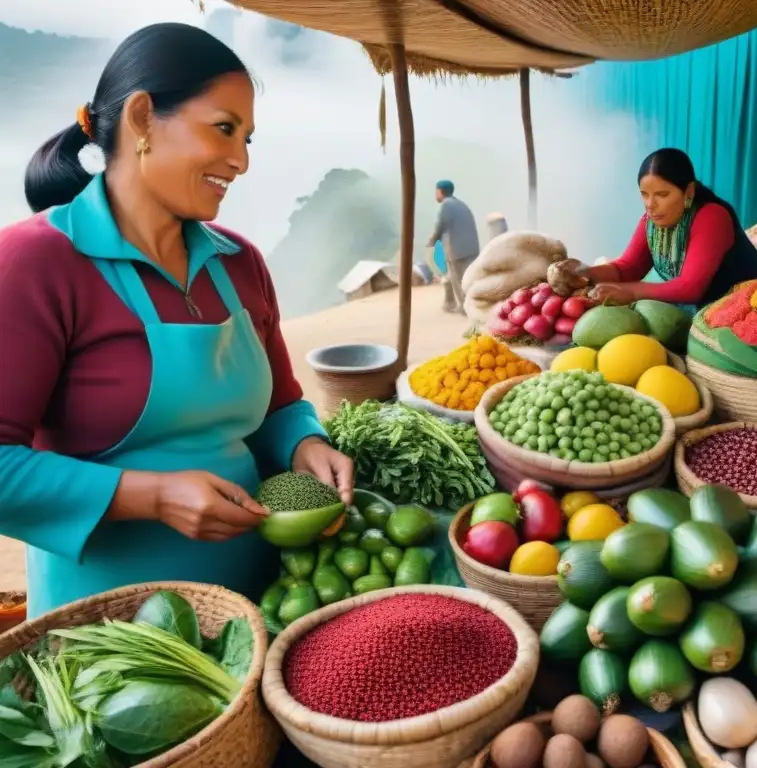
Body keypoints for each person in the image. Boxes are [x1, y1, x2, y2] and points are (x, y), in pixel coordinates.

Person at [0, 23, 355, 617]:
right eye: (223, 129)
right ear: (141, 117)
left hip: (264, 605)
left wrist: (304, 443)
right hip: (112, 633)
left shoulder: (239, 263)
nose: (240, 161)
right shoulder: (36, 264)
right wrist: (154, 496)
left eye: (247, 139)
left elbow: (279, 406)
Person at [554, 148, 757, 310]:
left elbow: (690, 288)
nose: (650, 204)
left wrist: (629, 292)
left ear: (689, 191)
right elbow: (628, 268)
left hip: (749, 309)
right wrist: (584, 273)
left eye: (662, 195)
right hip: (703, 312)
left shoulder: (712, 217)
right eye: (644, 194)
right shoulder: (651, 220)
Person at [426, 179, 480, 314]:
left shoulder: (446, 205)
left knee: (459, 281)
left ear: (440, 192)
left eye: (436, 191)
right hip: (471, 248)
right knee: (461, 278)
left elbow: (440, 225)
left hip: (457, 250)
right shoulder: (461, 204)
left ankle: (465, 308)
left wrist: (431, 241)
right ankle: (449, 303)